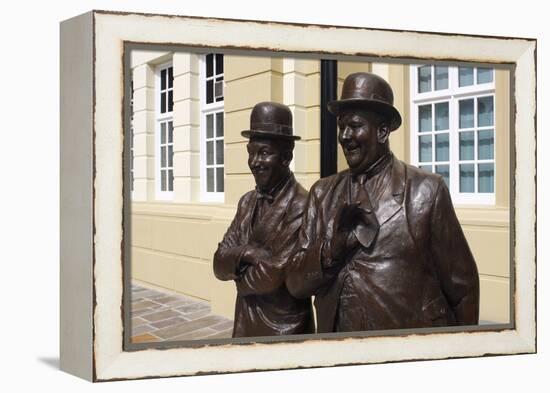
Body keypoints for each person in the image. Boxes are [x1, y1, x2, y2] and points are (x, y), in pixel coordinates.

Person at [286, 72, 480, 333]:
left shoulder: (425, 190)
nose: (344, 136)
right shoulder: (322, 194)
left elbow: (463, 287)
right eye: (341, 126)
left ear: (383, 131)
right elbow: (296, 283)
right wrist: (331, 250)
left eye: (354, 126)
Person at [213, 101, 315, 337]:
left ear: (286, 157)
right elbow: (219, 264)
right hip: (245, 322)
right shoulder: (247, 202)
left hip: (284, 328)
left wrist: (237, 275)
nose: (255, 162)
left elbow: (269, 276)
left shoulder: (303, 204)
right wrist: (247, 253)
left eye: (264, 153)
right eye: (251, 153)